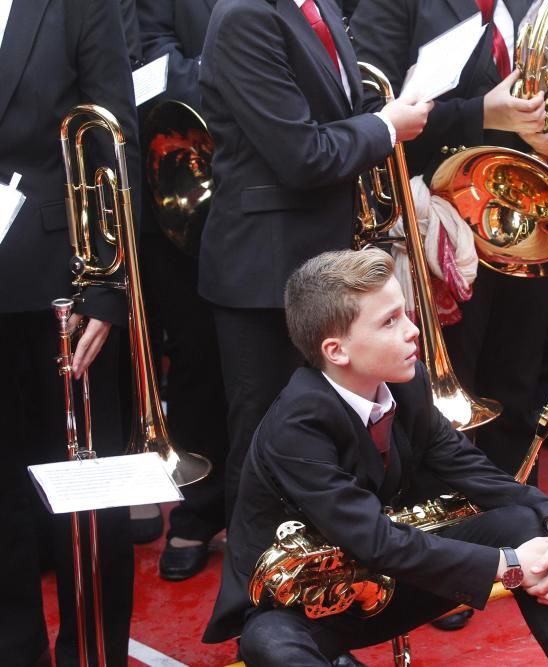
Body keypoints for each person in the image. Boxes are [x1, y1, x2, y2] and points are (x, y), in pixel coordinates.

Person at [202, 248, 548, 667]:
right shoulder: (297, 426)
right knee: (268, 641)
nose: (412, 330)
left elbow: (477, 473)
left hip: (385, 581)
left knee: (526, 524)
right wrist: (509, 565)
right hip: (308, 604)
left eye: (404, 312)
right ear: (336, 350)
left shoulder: (407, 381)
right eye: (389, 321)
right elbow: (373, 542)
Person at [196, 0, 433, 530]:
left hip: (322, 260)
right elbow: (304, 155)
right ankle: (255, 592)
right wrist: (386, 127)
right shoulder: (244, 15)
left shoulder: (316, 3)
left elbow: (343, 105)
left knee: (332, 436)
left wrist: (401, 99)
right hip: (264, 274)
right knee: (264, 446)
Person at [350, 0, 548, 482]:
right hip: (437, 223)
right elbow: (369, 110)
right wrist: (481, 113)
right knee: (442, 394)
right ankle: (449, 531)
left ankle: (521, 512)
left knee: (518, 383)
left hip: (527, 217)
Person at [0, 1, 139, 664]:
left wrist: (109, 286)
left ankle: (93, 653)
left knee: (87, 497)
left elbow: (114, 138)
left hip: (64, 289)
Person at [133, 0, 230, 580]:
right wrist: (247, 75)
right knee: (196, 353)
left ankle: (280, 505)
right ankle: (199, 509)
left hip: (282, 170)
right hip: (183, 187)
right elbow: (150, 55)